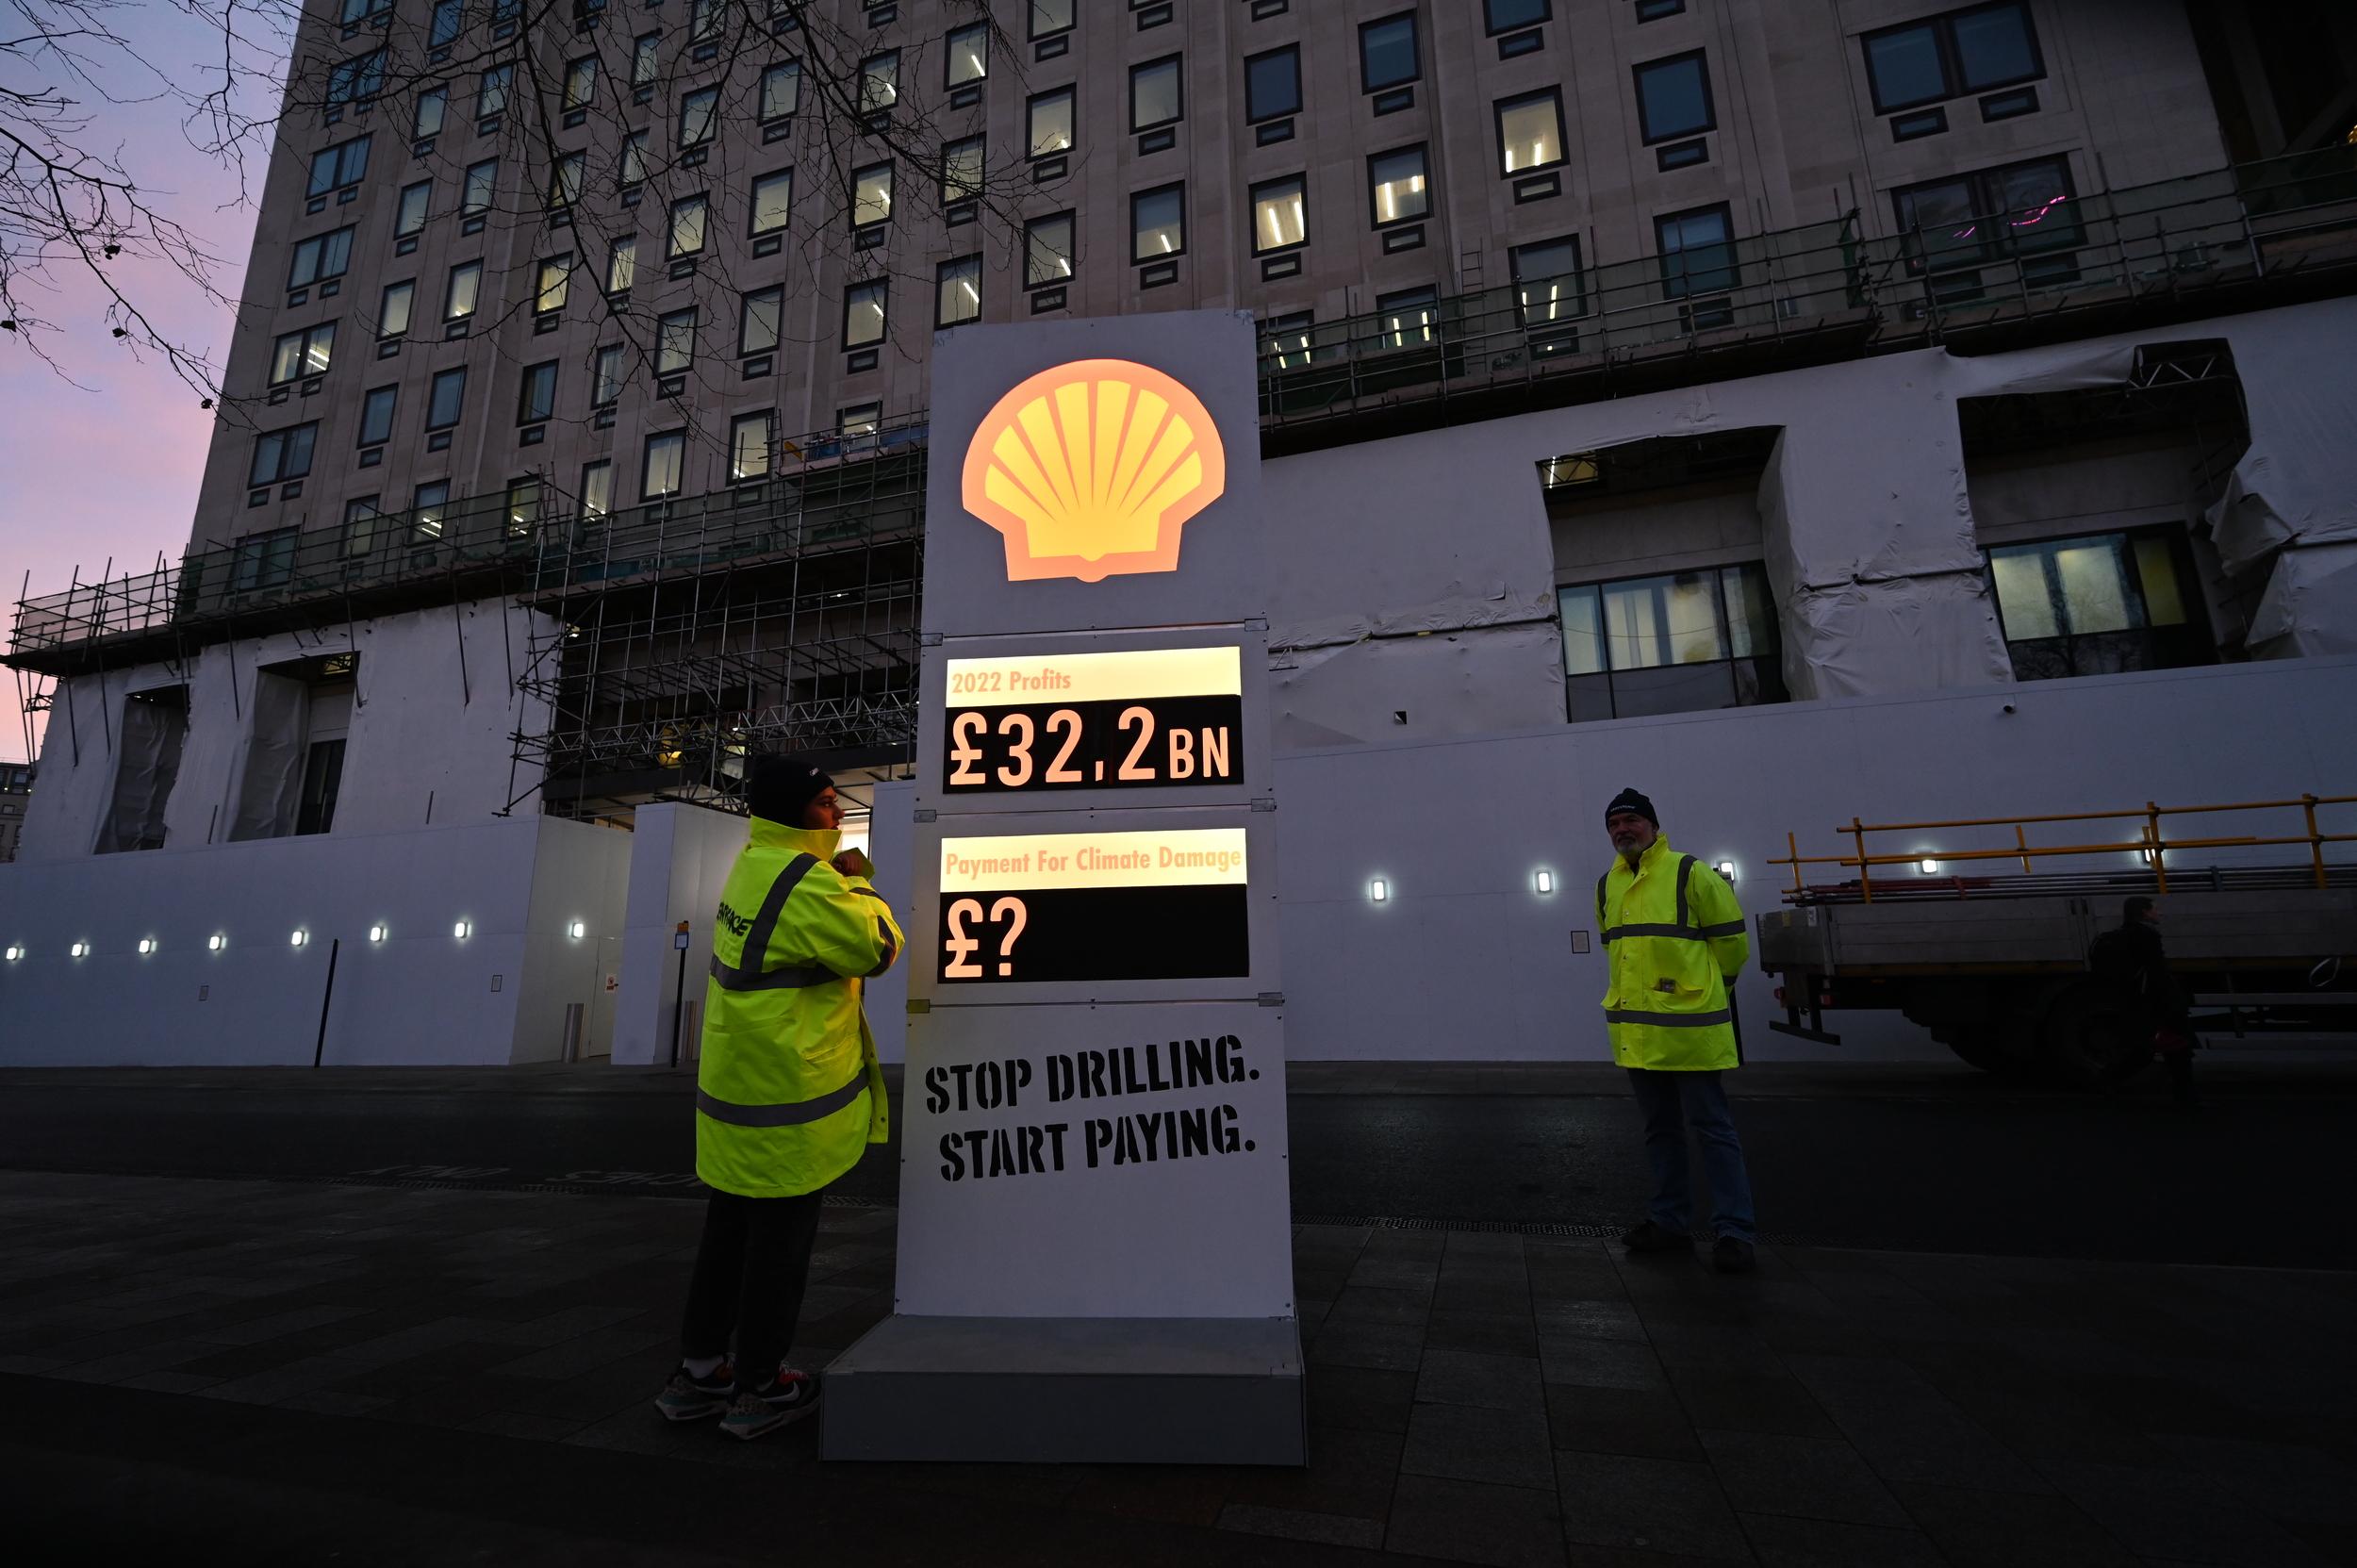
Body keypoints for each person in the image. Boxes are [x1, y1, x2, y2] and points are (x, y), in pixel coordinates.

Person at [652, 754, 903, 1440]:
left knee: (727, 1236)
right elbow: (878, 946)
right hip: (787, 1105)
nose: (838, 813)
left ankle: (698, 1374)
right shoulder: (808, 882)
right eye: (826, 802)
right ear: (797, 813)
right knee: (779, 1249)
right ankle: (761, 1387)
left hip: (736, 1099)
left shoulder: (755, 862)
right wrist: (863, 885)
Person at [1596, 787, 1758, 1274]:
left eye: (1631, 820)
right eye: (1614, 824)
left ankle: (1734, 1232)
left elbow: (1733, 949)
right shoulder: (1608, 885)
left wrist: (1706, 993)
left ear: (1652, 825)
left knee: (1712, 1130)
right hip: (1640, 1038)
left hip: (1690, 1034)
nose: (1623, 829)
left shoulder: (1691, 873)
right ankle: (1670, 1222)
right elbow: (1616, 952)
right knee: (1660, 1131)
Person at [2092, 895, 2198, 1104]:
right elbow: (2156, 972)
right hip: (2153, 1003)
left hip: (2137, 1001)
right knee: (2178, 1048)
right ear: (2144, 912)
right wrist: (2172, 1002)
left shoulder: (2126, 934)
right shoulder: (2146, 935)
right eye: (2155, 909)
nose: (2159, 912)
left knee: (2146, 1050)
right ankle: (2187, 1098)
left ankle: (2107, 1077)